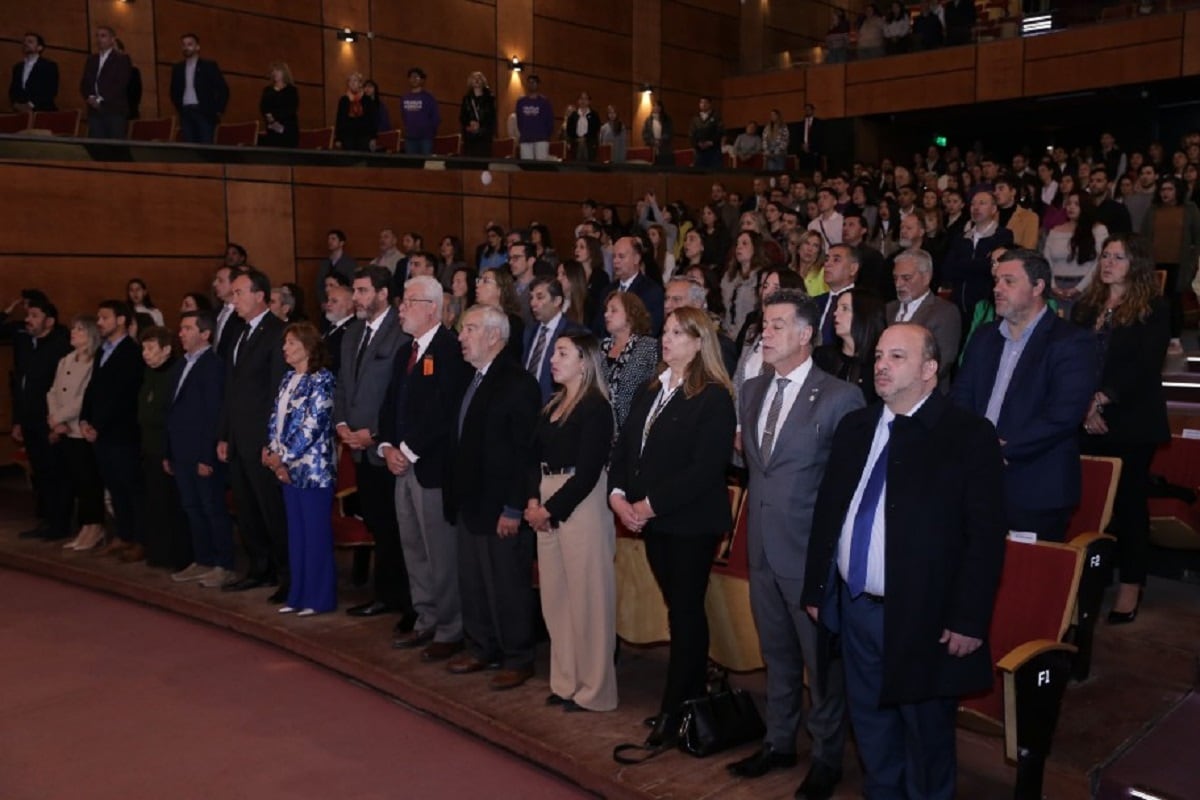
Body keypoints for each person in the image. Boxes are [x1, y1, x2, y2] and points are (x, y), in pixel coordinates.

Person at [802, 323, 1007, 800]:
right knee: (871, 729)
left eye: (897, 357)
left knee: (926, 738)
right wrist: (817, 589)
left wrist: (968, 618)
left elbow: (985, 538)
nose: (880, 366)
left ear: (930, 370)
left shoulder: (967, 435)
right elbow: (828, 513)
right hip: (855, 609)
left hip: (924, 616)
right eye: (878, 357)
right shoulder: (856, 427)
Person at [727, 289, 864, 797]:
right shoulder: (752, 389)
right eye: (765, 323)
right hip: (760, 545)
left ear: (807, 335)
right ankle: (779, 742)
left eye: (779, 324)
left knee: (821, 668)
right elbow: (754, 467)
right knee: (777, 653)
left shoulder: (839, 397)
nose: (767, 331)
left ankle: (827, 759)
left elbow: (847, 487)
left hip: (809, 555)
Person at [609, 306, 736, 747]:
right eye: (666, 330)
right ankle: (689, 700)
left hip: (690, 523)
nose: (668, 338)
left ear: (700, 342)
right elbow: (626, 446)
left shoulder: (714, 396)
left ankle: (673, 709)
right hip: (654, 520)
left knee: (684, 613)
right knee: (679, 611)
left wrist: (647, 505)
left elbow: (705, 469)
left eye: (679, 332)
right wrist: (617, 495)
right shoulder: (652, 388)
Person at [953, 248, 1095, 541]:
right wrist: (975, 445)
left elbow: (1063, 415)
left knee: (1029, 581)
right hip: (977, 479)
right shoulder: (984, 336)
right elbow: (961, 397)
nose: (997, 289)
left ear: (1038, 287)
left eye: (1009, 281)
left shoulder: (1071, 341)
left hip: (1036, 486)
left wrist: (1002, 450)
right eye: (996, 281)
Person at [1074, 233, 1170, 623]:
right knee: (1089, 502)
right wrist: (1084, 404)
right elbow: (1072, 360)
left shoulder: (1154, 307)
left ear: (1138, 265)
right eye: (1106, 256)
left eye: (1119, 257)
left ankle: (1131, 583)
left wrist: (1101, 399)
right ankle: (1089, 576)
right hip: (1084, 416)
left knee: (1129, 504)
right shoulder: (1086, 307)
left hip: (1132, 421)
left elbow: (1145, 367)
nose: (1109, 263)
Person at [445, 304, 542, 690]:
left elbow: (524, 453)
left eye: (469, 329)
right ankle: (482, 645)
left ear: (493, 336)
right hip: (471, 502)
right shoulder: (474, 378)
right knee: (474, 581)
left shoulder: (517, 383)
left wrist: (514, 506)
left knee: (507, 583)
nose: (461, 337)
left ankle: (518, 656)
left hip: (502, 505)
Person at [377, 276, 473, 657]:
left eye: (408, 302)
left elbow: (445, 411)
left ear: (432, 307)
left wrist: (409, 450)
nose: (401, 308)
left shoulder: (451, 350)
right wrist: (386, 446)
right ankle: (426, 619)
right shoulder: (406, 352)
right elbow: (389, 405)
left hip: (430, 469)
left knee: (440, 554)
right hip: (401, 465)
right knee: (413, 549)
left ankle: (450, 630)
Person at [525, 331, 618, 712]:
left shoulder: (596, 407)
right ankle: (565, 682)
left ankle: (594, 690)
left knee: (588, 600)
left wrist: (549, 510)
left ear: (585, 361)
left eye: (562, 353)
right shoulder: (553, 405)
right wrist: (533, 501)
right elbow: (532, 457)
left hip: (579, 503)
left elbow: (589, 471)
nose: (553, 358)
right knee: (557, 598)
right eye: (554, 352)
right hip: (546, 496)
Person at [337, 267, 414, 629]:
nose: (357, 298)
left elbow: (399, 395)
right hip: (357, 446)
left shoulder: (400, 333)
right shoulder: (353, 332)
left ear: (384, 294)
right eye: (355, 290)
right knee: (380, 526)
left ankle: (410, 602)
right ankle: (385, 595)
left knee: (400, 529)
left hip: (387, 448)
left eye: (363, 290)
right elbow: (343, 386)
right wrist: (341, 425)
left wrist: (376, 433)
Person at [216, 269, 289, 597]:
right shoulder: (238, 333)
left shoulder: (278, 332)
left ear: (260, 295)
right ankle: (260, 567)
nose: (234, 300)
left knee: (271, 510)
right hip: (238, 438)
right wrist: (224, 434)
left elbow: (278, 392)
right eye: (232, 294)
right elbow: (230, 390)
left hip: (262, 440)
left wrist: (271, 442)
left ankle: (286, 575)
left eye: (240, 293)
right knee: (247, 509)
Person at [264, 322, 337, 616]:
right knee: (296, 534)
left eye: (292, 343)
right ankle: (297, 595)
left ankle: (319, 598)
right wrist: (272, 451)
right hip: (287, 468)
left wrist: (283, 456)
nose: (286, 348)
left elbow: (312, 425)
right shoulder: (286, 379)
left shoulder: (323, 380)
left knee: (316, 535)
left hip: (313, 470)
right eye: (285, 343)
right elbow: (275, 418)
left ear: (308, 347)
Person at [165, 311, 234, 587]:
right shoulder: (181, 365)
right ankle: (202, 559)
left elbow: (214, 414)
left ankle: (223, 564)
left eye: (187, 328)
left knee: (212, 508)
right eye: (180, 328)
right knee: (192, 508)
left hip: (202, 454)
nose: (181, 333)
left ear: (205, 334)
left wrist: (207, 457)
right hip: (181, 451)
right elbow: (172, 412)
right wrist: (169, 451)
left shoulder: (213, 366)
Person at [80, 300, 145, 558]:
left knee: (131, 487)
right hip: (101, 433)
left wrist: (99, 425)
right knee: (114, 487)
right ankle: (123, 534)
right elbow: (92, 388)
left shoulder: (131, 351)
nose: (99, 322)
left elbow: (124, 396)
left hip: (122, 432)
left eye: (104, 317)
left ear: (121, 320)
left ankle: (139, 539)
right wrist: (85, 419)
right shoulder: (102, 350)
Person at [12, 295, 71, 540]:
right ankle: (47, 521)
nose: (28, 320)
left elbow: (61, 389)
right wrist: (17, 420)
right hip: (29, 421)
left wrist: (57, 422)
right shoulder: (27, 345)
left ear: (50, 321)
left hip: (50, 422)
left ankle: (59, 525)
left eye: (35, 316)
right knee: (40, 474)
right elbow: (20, 385)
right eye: (28, 315)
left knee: (55, 473)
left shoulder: (60, 347)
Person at [48, 315, 106, 551]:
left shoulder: (94, 362)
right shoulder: (66, 360)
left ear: (91, 334)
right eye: (73, 329)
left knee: (89, 480)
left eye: (80, 329)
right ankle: (85, 526)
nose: (74, 332)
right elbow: (52, 391)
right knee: (77, 480)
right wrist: (53, 419)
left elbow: (84, 397)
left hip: (79, 428)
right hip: (63, 428)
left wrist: (62, 417)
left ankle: (95, 526)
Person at [137, 325, 191, 570]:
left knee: (171, 504)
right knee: (154, 503)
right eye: (143, 348)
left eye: (150, 348)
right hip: (149, 446)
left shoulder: (174, 373)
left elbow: (173, 414)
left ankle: (176, 555)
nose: (145, 354)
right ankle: (157, 552)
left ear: (167, 349)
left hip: (167, 448)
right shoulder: (148, 373)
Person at [886, 248, 961, 391]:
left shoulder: (945, 312)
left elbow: (941, 363)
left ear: (926, 277)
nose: (898, 284)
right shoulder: (887, 309)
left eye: (906, 278)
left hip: (924, 395)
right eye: (895, 278)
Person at [1142, 176, 1200, 355]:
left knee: (1175, 301)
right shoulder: (1153, 210)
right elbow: (1144, 237)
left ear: (1177, 191)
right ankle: (1157, 336)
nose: (1165, 193)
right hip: (1156, 263)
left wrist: (1193, 262)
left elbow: (1197, 237)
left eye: (1169, 189)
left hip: (1180, 263)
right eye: (1163, 190)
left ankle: (1175, 339)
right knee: (1156, 301)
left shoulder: (1190, 209)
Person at [814, 289, 886, 404]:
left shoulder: (879, 364)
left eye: (844, 308)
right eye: (837, 308)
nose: (835, 313)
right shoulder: (822, 357)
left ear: (863, 315)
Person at [1044, 190, 1108, 320]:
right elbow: (1046, 260)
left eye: (1076, 204)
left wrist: (1079, 288)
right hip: (1057, 287)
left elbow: (1100, 262)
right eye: (1069, 204)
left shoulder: (1098, 230)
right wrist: (1053, 286)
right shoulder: (1055, 231)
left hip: (1086, 288)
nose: (1071, 207)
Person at [601, 291, 660, 432]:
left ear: (631, 314)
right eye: (606, 310)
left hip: (632, 428)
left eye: (613, 310)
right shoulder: (601, 347)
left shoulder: (647, 346)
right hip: (600, 428)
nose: (606, 315)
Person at [593, 236, 665, 337]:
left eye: (621, 256)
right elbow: (598, 326)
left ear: (636, 259)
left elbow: (649, 330)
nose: (615, 261)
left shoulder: (652, 291)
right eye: (614, 256)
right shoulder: (607, 290)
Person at [170, 33, 228, 144]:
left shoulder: (208, 66)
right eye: (184, 45)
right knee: (190, 150)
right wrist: (180, 109)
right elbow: (174, 91)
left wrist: (218, 110)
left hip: (204, 113)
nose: (186, 47)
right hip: (186, 113)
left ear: (197, 47)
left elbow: (223, 89)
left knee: (206, 147)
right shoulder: (178, 68)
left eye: (190, 44)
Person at [80, 25, 131, 139]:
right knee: (97, 146)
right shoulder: (92, 59)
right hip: (94, 111)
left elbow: (121, 84)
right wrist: (90, 97)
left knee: (115, 147)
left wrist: (100, 99)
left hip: (114, 110)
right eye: (97, 36)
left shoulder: (122, 59)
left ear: (112, 39)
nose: (99, 39)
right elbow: (85, 82)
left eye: (103, 36)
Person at [721, 231, 768, 340]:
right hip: (729, 333)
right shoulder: (729, 277)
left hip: (750, 336)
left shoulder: (762, 277)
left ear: (755, 248)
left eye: (744, 243)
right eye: (737, 244)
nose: (739, 247)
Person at [9, 32, 59, 112]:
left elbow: (51, 90)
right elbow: (13, 90)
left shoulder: (49, 66)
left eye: (30, 42)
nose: (25, 44)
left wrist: (31, 105)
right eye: (24, 41)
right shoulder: (17, 67)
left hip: (43, 112)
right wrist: (16, 104)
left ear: (40, 47)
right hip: (21, 113)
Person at [400, 67, 440, 156]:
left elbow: (436, 118)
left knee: (426, 165)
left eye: (416, 77)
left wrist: (430, 133)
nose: (414, 79)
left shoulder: (429, 97)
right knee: (412, 166)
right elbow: (404, 116)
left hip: (425, 138)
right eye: (411, 77)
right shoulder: (404, 97)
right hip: (410, 138)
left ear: (422, 80)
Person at [334, 72, 377, 152]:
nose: (352, 83)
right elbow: (339, 120)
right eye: (350, 81)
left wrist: (373, 138)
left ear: (360, 84)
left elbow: (372, 120)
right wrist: (338, 139)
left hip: (364, 137)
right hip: (348, 137)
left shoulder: (367, 100)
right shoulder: (343, 100)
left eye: (355, 81)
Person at [261, 62, 300, 148]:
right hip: (272, 131)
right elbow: (264, 108)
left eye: (278, 70)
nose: (275, 73)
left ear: (284, 72)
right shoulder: (268, 90)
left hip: (288, 130)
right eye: (273, 71)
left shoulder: (291, 90)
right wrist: (272, 121)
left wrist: (278, 121)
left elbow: (291, 109)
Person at [515, 74, 554, 161]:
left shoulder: (545, 102)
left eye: (534, 82)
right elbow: (519, 121)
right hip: (526, 138)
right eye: (529, 82)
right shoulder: (521, 102)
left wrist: (546, 135)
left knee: (541, 166)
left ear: (538, 84)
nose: (531, 84)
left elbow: (550, 121)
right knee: (527, 166)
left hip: (541, 139)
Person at [460, 71, 496, 158]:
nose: (476, 80)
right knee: (470, 163)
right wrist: (469, 124)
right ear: (470, 82)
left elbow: (492, 117)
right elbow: (462, 116)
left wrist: (480, 125)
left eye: (479, 78)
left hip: (484, 136)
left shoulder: (489, 99)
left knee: (483, 162)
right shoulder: (466, 99)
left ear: (483, 82)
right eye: (474, 78)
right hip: (470, 137)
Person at [565, 92, 601, 162]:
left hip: (589, 144)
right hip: (576, 144)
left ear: (589, 101)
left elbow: (595, 129)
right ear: (578, 101)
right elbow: (569, 130)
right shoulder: (573, 115)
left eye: (585, 99)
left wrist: (585, 138)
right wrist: (578, 139)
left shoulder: (594, 115)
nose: (583, 101)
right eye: (581, 99)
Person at [689, 96, 722, 169]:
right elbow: (691, 134)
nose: (703, 104)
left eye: (705, 102)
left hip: (713, 151)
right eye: (701, 102)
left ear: (710, 104)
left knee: (714, 174)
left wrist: (710, 142)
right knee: (699, 175)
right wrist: (697, 143)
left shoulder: (716, 117)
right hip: (699, 152)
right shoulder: (695, 118)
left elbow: (720, 132)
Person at [642, 98, 675, 167]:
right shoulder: (648, 120)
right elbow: (645, 134)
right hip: (651, 149)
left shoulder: (667, 119)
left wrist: (660, 140)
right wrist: (653, 141)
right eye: (654, 106)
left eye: (658, 106)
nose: (656, 108)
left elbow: (669, 133)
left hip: (665, 150)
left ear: (661, 108)